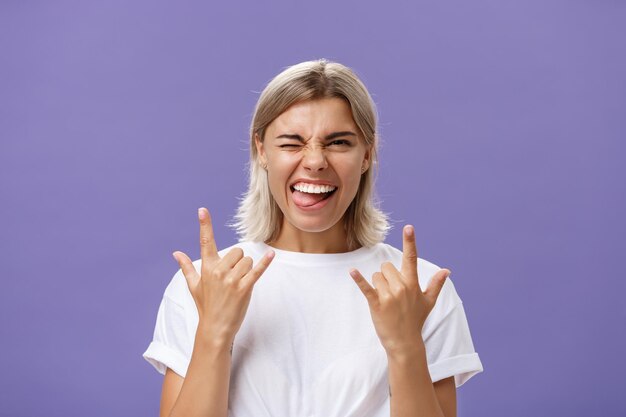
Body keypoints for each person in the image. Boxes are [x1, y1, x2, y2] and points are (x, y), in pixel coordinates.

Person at [143, 59, 483, 417]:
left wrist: (405, 347)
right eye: (292, 143)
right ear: (262, 151)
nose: (315, 161)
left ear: (367, 153)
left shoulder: (418, 289)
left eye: (338, 142)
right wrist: (213, 333)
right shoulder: (204, 285)